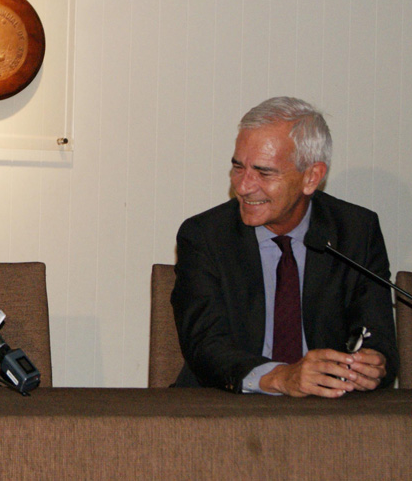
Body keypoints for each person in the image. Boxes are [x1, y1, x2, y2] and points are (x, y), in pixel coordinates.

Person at [170, 97, 398, 397]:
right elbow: (205, 346)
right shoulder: (204, 236)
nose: (243, 186)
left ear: (311, 177)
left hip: (326, 413)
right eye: (238, 167)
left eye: (264, 172)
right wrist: (279, 377)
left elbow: (379, 339)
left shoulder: (356, 232)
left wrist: (373, 364)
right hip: (225, 406)